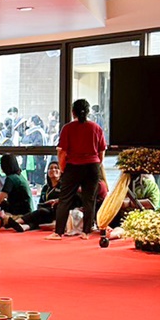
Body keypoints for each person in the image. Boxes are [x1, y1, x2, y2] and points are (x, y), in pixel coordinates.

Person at [48, 98, 107, 240]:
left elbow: (62, 152)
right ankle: (86, 232)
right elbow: (101, 151)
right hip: (92, 166)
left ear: (73, 112)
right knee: (89, 200)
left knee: (65, 199)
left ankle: (58, 233)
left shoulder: (68, 128)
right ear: (88, 112)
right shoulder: (96, 128)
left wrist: (63, 168)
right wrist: (97, 164)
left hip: (73, 166)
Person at [0, 152, 34, 231]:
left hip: (20, 212)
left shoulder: (11, 179)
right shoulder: (19, 176)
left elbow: (0, 198)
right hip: (27, 210)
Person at [21, 160, 61, 229]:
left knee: (41, 212)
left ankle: (18, 222)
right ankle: (26, 226)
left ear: (61, 172)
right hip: (45, 213)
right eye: (50, 168)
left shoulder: (64, 187)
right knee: (41, 213)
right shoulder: (45, 188)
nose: (53, 170)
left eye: (56, 168)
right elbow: (41, 202)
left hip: (57, 213)